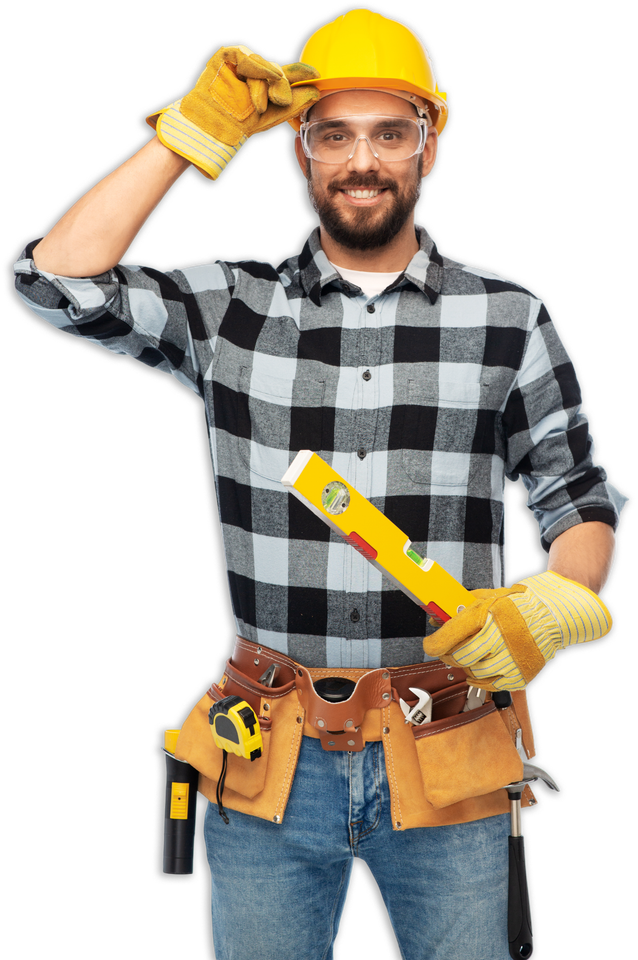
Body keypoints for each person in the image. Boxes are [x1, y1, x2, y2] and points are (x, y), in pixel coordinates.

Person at [13, 10, 626, 959]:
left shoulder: (508, 317)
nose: (362, 161)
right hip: (269, 752)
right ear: (299, 150)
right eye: (333, 135)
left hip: (451, 750)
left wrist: (552, 604)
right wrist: (188, 133)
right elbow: (55, 281)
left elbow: (575, 495)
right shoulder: (232, 308)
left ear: (430, 146)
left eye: (390, 133)